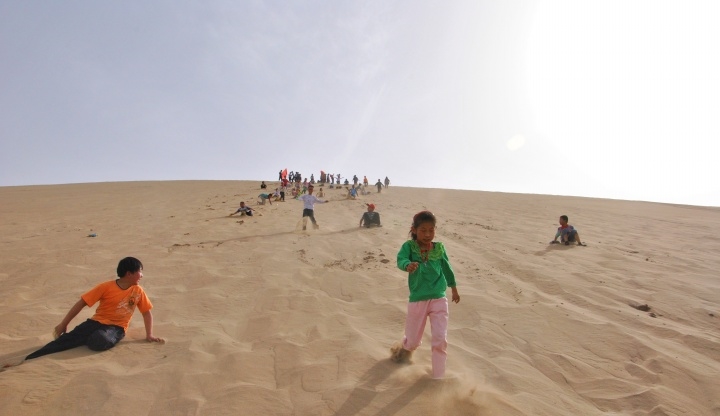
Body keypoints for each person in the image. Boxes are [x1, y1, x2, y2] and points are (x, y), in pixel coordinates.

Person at [24, 257, 164, 361]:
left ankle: (88, 338)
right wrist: (63, 324)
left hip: (117, 327)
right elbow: (81, 303)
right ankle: (27, 359)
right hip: (95, 322)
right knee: (63, 341)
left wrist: (149, 335)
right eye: (140, 271)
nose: (142, 275)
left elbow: (146, 313)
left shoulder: (138, 291)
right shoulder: (106, 287)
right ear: (129, 274)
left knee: (100, 340)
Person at [391, 211, 459, 379]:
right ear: (414, 230)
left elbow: (447, 268)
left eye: (431, 230)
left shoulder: (439, 248)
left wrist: (453, 287)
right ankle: (404, 349)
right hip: (418, 299)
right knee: (413, 341)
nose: (428, 234)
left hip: (439, 298)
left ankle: (438, 377)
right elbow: (401, 259)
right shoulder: (409, 247)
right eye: (423, 230)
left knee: (440, 339)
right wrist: (407, 265)